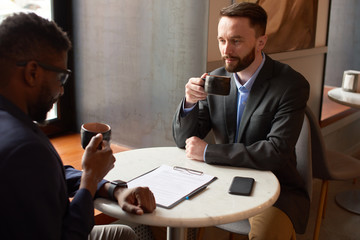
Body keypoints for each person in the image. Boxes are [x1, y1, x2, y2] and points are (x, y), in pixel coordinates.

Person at [0, 12, 156, 240]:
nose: (62, 90)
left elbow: (49, 176)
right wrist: (91, 178)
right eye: (60, 78)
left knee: (123, 234)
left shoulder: (13, 126)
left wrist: (113, 189)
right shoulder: (25, 148)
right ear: (32, 73)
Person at [172, 2, 310, 239]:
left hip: (275, 188)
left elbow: (275, 152)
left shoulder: (291, 85)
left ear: (261, 42)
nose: (226, 50)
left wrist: (209, 153)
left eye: (236, 41)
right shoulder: (215, 79)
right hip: (221, 180)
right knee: (164, 208)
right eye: (221, 40)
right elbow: (183, 140)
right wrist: (189, 102)